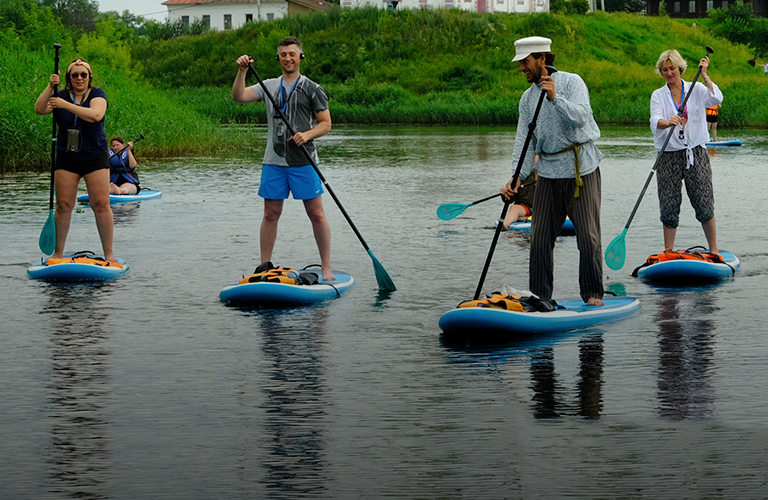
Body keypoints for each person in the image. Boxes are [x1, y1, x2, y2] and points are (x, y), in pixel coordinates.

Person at [501, 36, 604, 306]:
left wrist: (555, 98)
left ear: (542, 59)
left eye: (525, 62)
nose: (521, 68)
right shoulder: (526, 100)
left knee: (588, 238)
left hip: (581, 171)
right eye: (520, 63)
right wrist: (516, 177)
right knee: (539, 239)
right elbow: (525, 142)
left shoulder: (572, 82)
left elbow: (582, 117)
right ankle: (540, 297)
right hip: (547, 173)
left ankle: (593, 294)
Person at [232, 37, 335, 281]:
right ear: (278, 58)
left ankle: (326, 266)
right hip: (274, 162)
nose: (288, 58)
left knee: (316, 214)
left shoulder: (313, 88)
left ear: (300, 56)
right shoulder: (268, 86)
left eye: (292, 54)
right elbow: (239, 96)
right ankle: (264, 266)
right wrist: (242, 71)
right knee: (271, 214)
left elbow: (326, 123)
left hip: (304, 161)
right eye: (283, 54)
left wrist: (307, 135)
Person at [34, 58, 117, 263]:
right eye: (75, 75)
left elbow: (96, 115)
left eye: (83, 74)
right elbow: (40, 109)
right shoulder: (60, 95)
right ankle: (57, 253)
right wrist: (50, 87)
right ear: (69, 78)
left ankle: (109, 253)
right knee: (63, 205)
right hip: (67, 157)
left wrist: (65, 105)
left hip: (95, 156)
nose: (79, 78)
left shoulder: (97, 94)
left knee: (101, 204)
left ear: (89, 77)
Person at [650, 49, 723, 254]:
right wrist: (667, 122)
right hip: (668, 154)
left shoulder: (696, 89)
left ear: (680, 68)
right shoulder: (658, 95)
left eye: (672, 68)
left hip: (696, 152)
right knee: (669, 204)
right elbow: (654, 120)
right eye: (664, 69)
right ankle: (668, 251)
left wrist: (705, 75)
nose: (669, 73)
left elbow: (716, 98)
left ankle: (714, 249)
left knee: (704, 201)